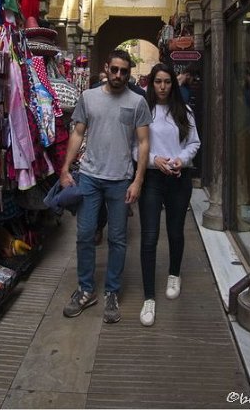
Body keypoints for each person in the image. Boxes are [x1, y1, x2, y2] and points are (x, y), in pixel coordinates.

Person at [60, 48, 152, 323]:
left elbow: (144, 143)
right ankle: (86, 289)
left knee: (118, 239)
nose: (119, 75)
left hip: (120, 180)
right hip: (90, 177)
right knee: (85, 234)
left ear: (128, 73)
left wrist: (138, 180)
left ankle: (112, 291)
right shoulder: (88, 97)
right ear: (106, 68)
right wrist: (65, 168)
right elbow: (78, 133)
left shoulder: (137, 102)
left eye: (124, 71)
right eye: (115, 69)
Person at [137, 62, 201, 327]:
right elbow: (134, 147)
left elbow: (195, 143)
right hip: (152, 179)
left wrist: (180, 160)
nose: (162, 87)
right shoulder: (144, 110)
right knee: (149, 237)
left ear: (173, 84)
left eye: (167, 82)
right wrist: (154, 159)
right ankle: (149, 297)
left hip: (178, 178)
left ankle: (174, 274)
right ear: (151, 84)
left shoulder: (184, 111)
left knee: (175, 232)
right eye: (158, 82)